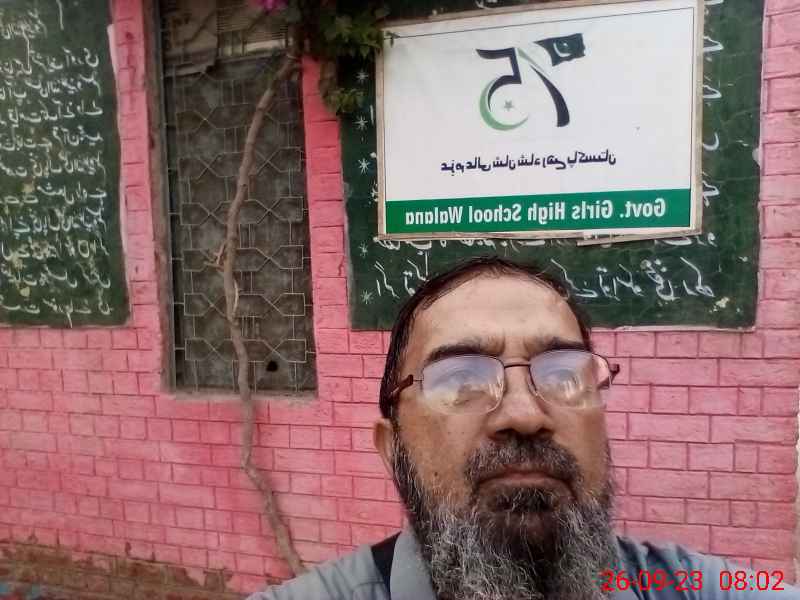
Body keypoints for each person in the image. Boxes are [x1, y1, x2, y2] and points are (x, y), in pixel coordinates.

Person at [248, 256, 799, 600]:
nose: (524, 415)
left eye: (562, 375)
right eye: (460, 379)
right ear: (393, 449)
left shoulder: (691, 587)